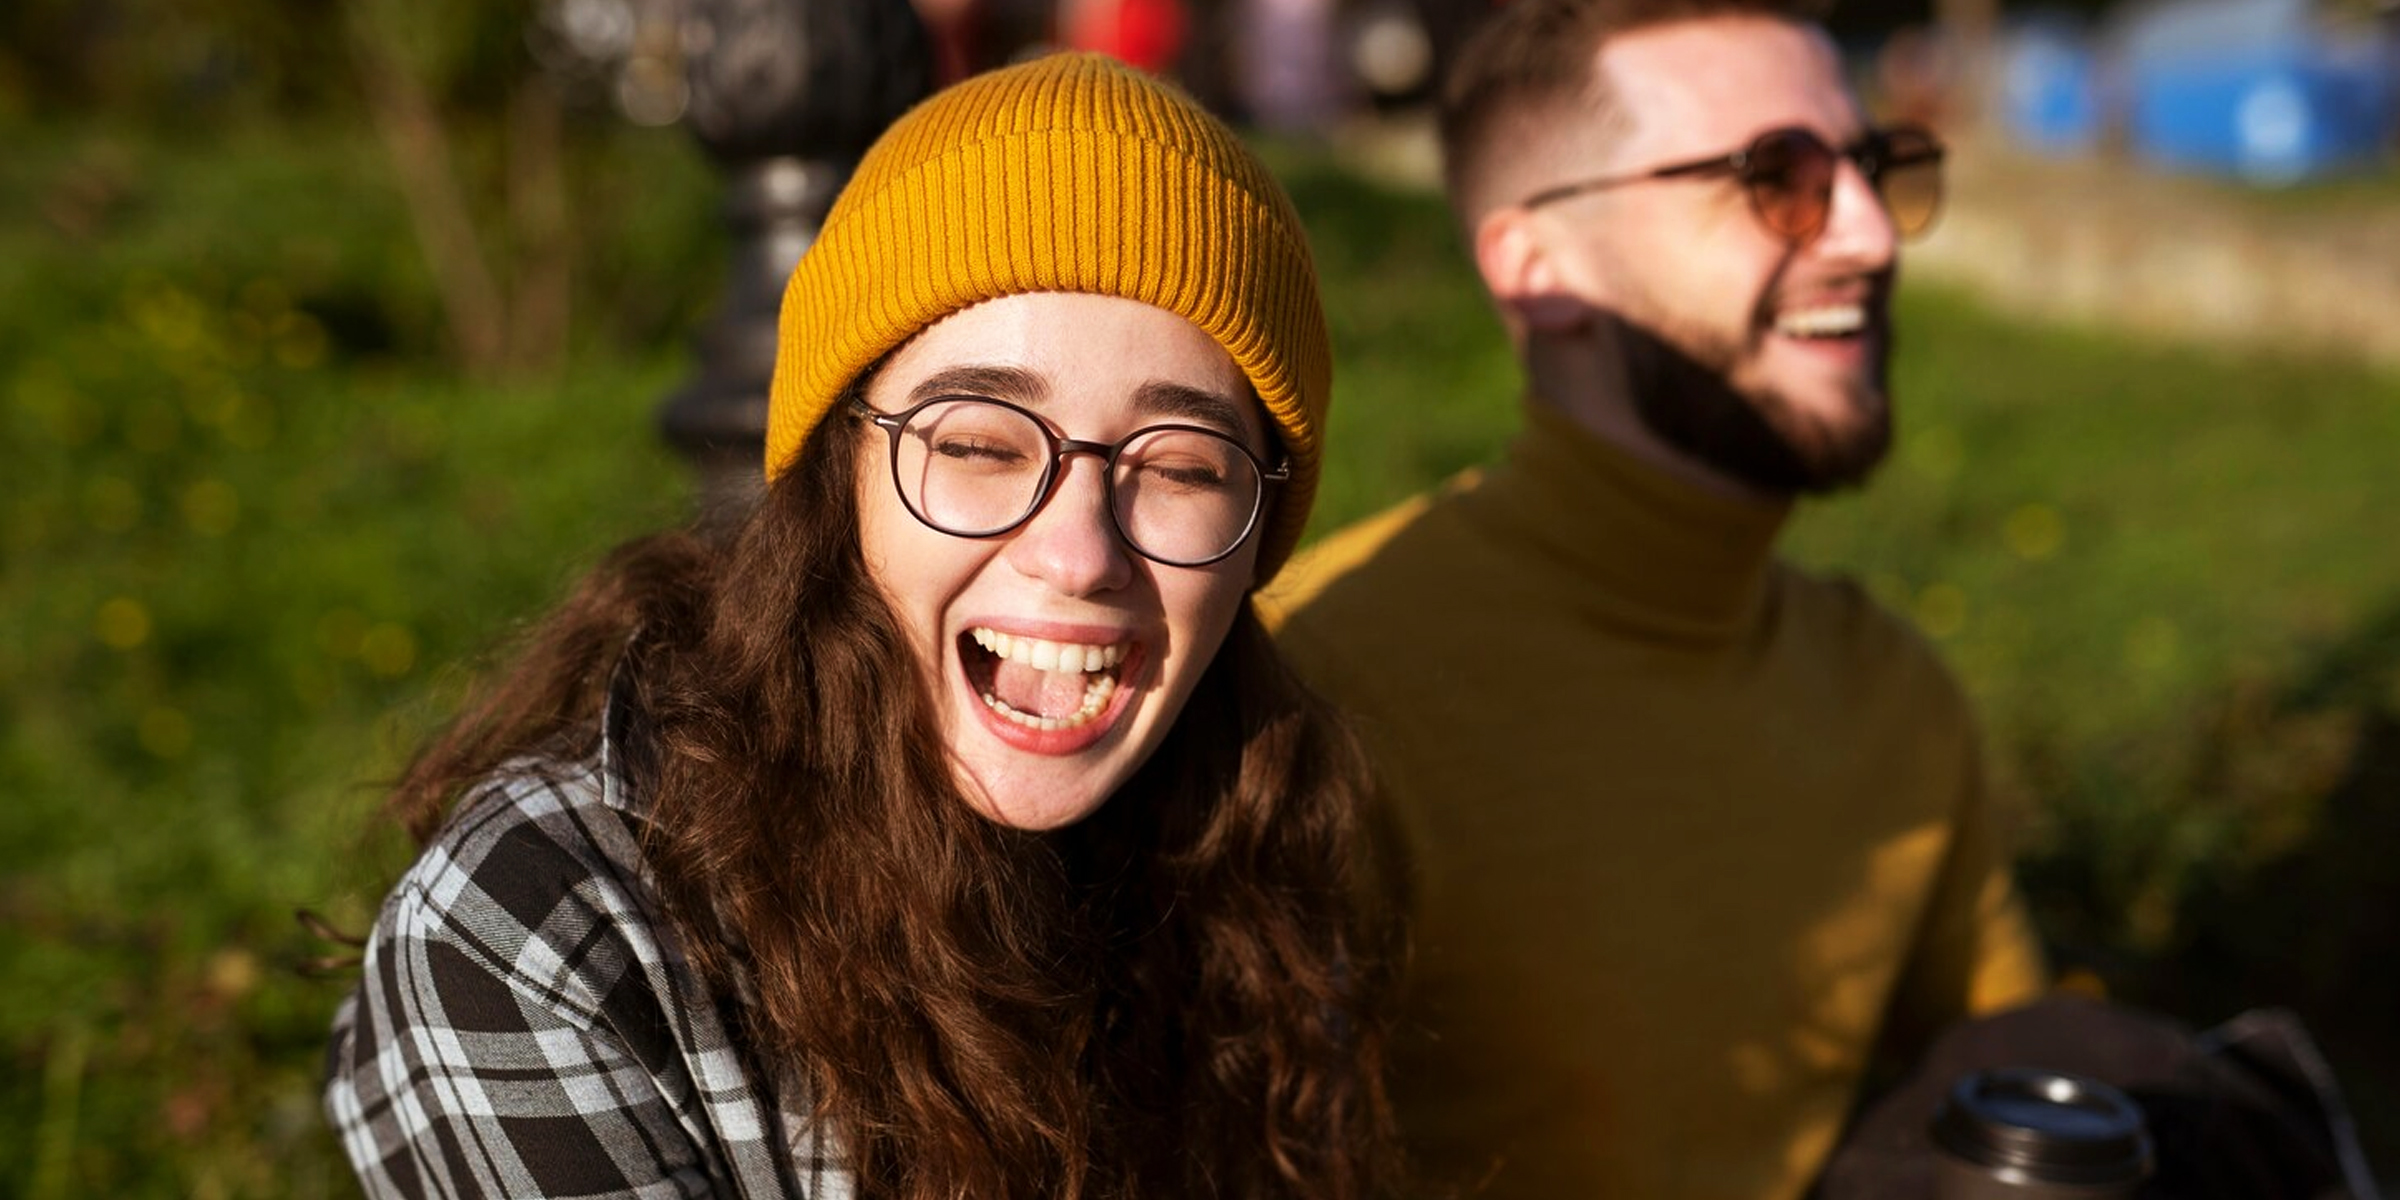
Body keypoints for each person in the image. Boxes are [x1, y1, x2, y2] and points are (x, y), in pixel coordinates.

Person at [323, 52, 1398, 1200]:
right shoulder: (542, 934)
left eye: (1181, 466)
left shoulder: (1257, 864)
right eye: (981, 443)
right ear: (839, 471)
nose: (1080, 552)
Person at [1260, 2, 2049, 1197]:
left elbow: (2026, 1076)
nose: (1872, 236)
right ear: (1540, 269)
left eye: (1876, 168)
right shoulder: (1313, 699)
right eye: (1774, 178)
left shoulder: (1888, 687)